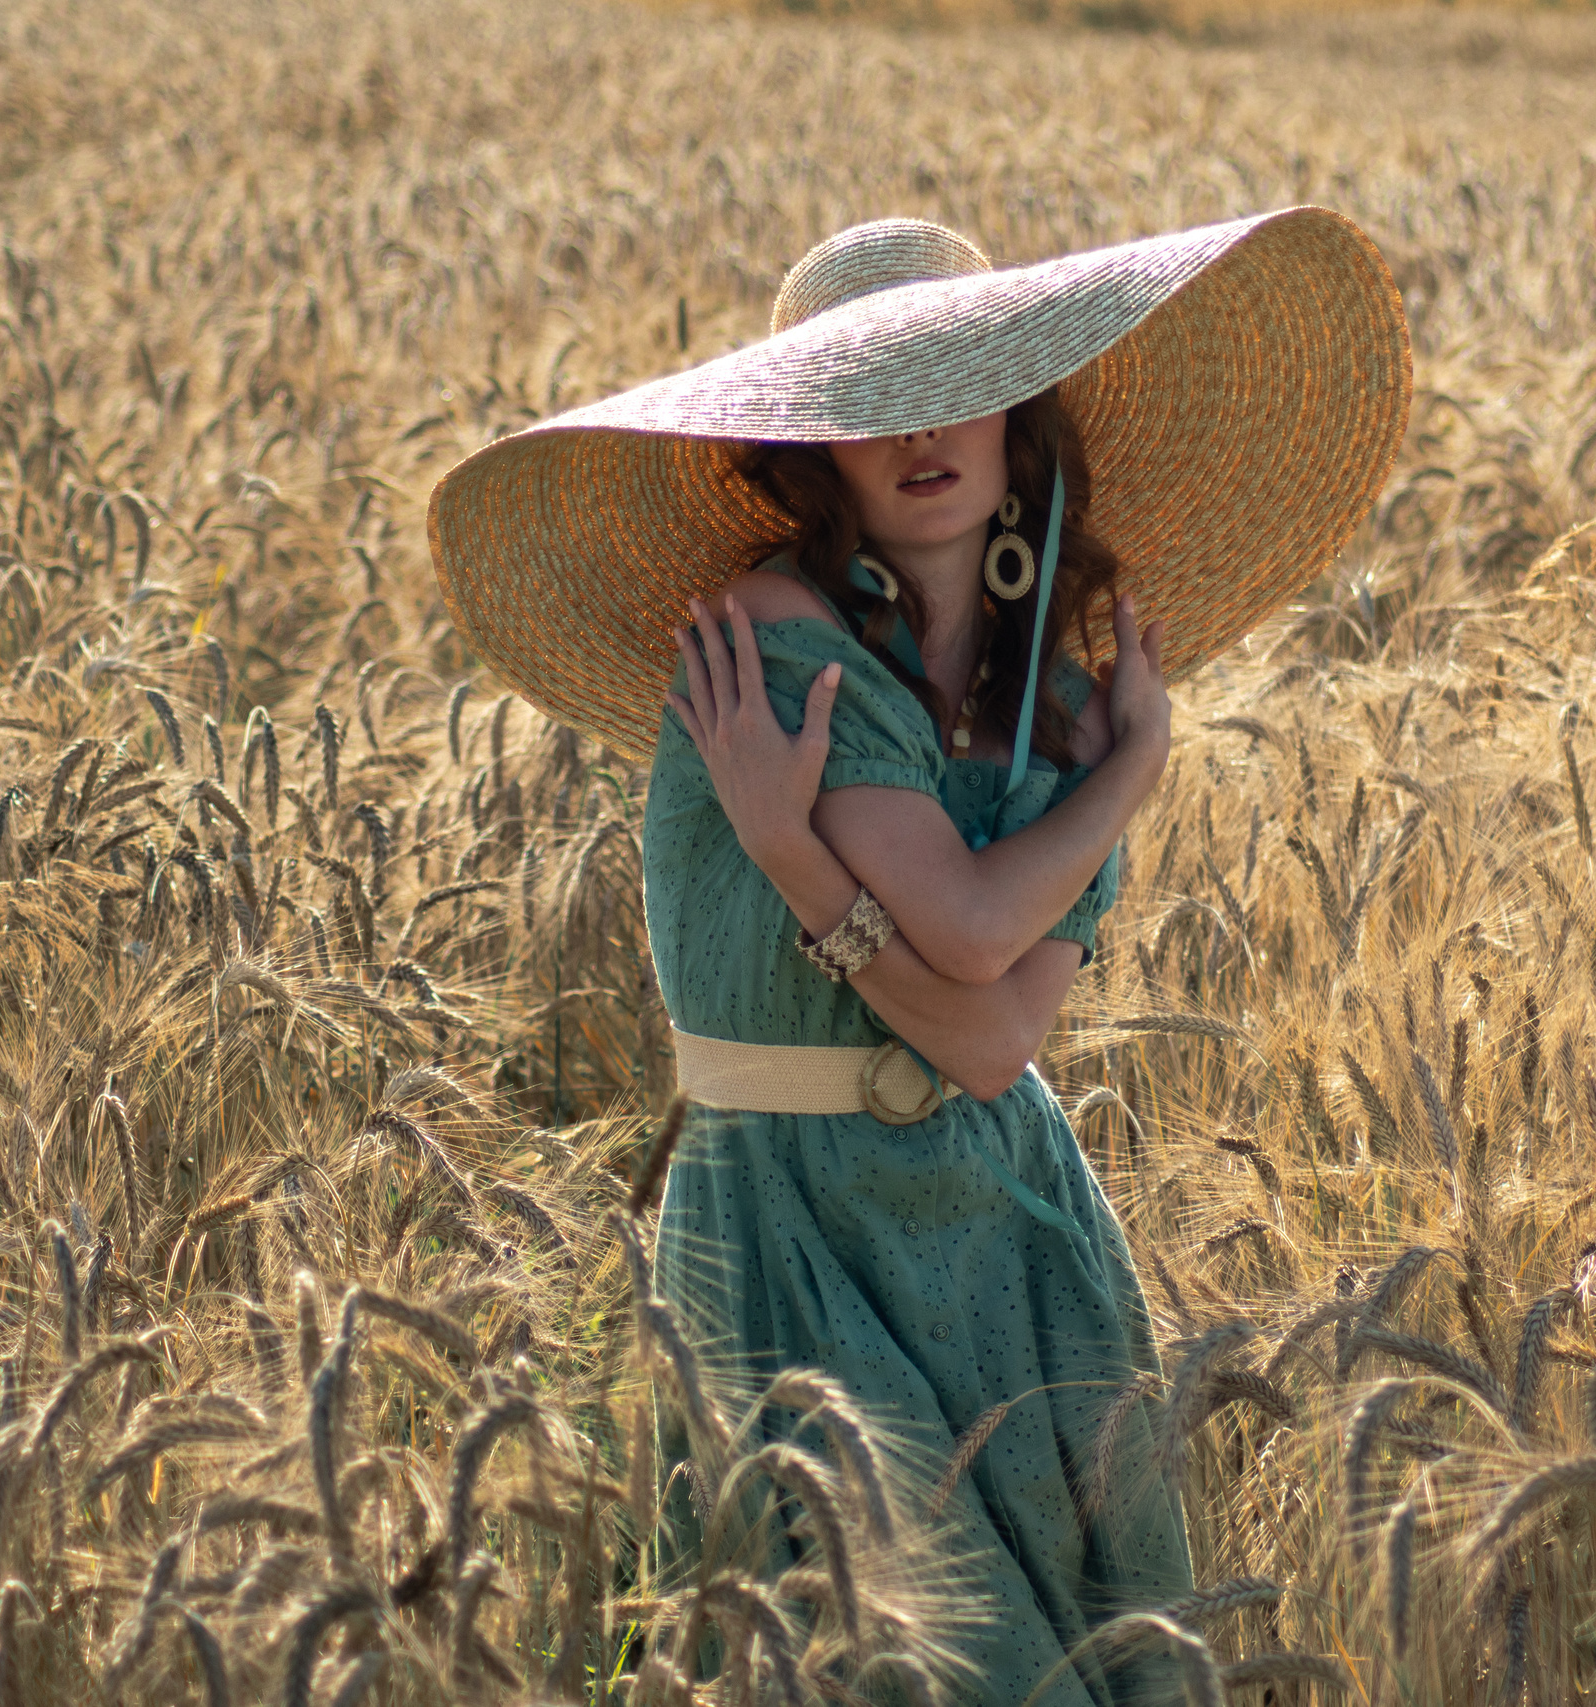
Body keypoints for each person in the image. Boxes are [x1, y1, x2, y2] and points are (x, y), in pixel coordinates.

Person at [428, 209, 1409, 1706]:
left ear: (1025, 416)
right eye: (867, 405)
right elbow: (965, 936)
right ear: (812, 452)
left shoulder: (1059, 711)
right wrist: (1126, 779)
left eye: (960, 386)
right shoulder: (782, 632)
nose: (921, 434)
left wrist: (801, 861)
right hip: (788, 1229)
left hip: (1009, 1237)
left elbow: (996, 1039)